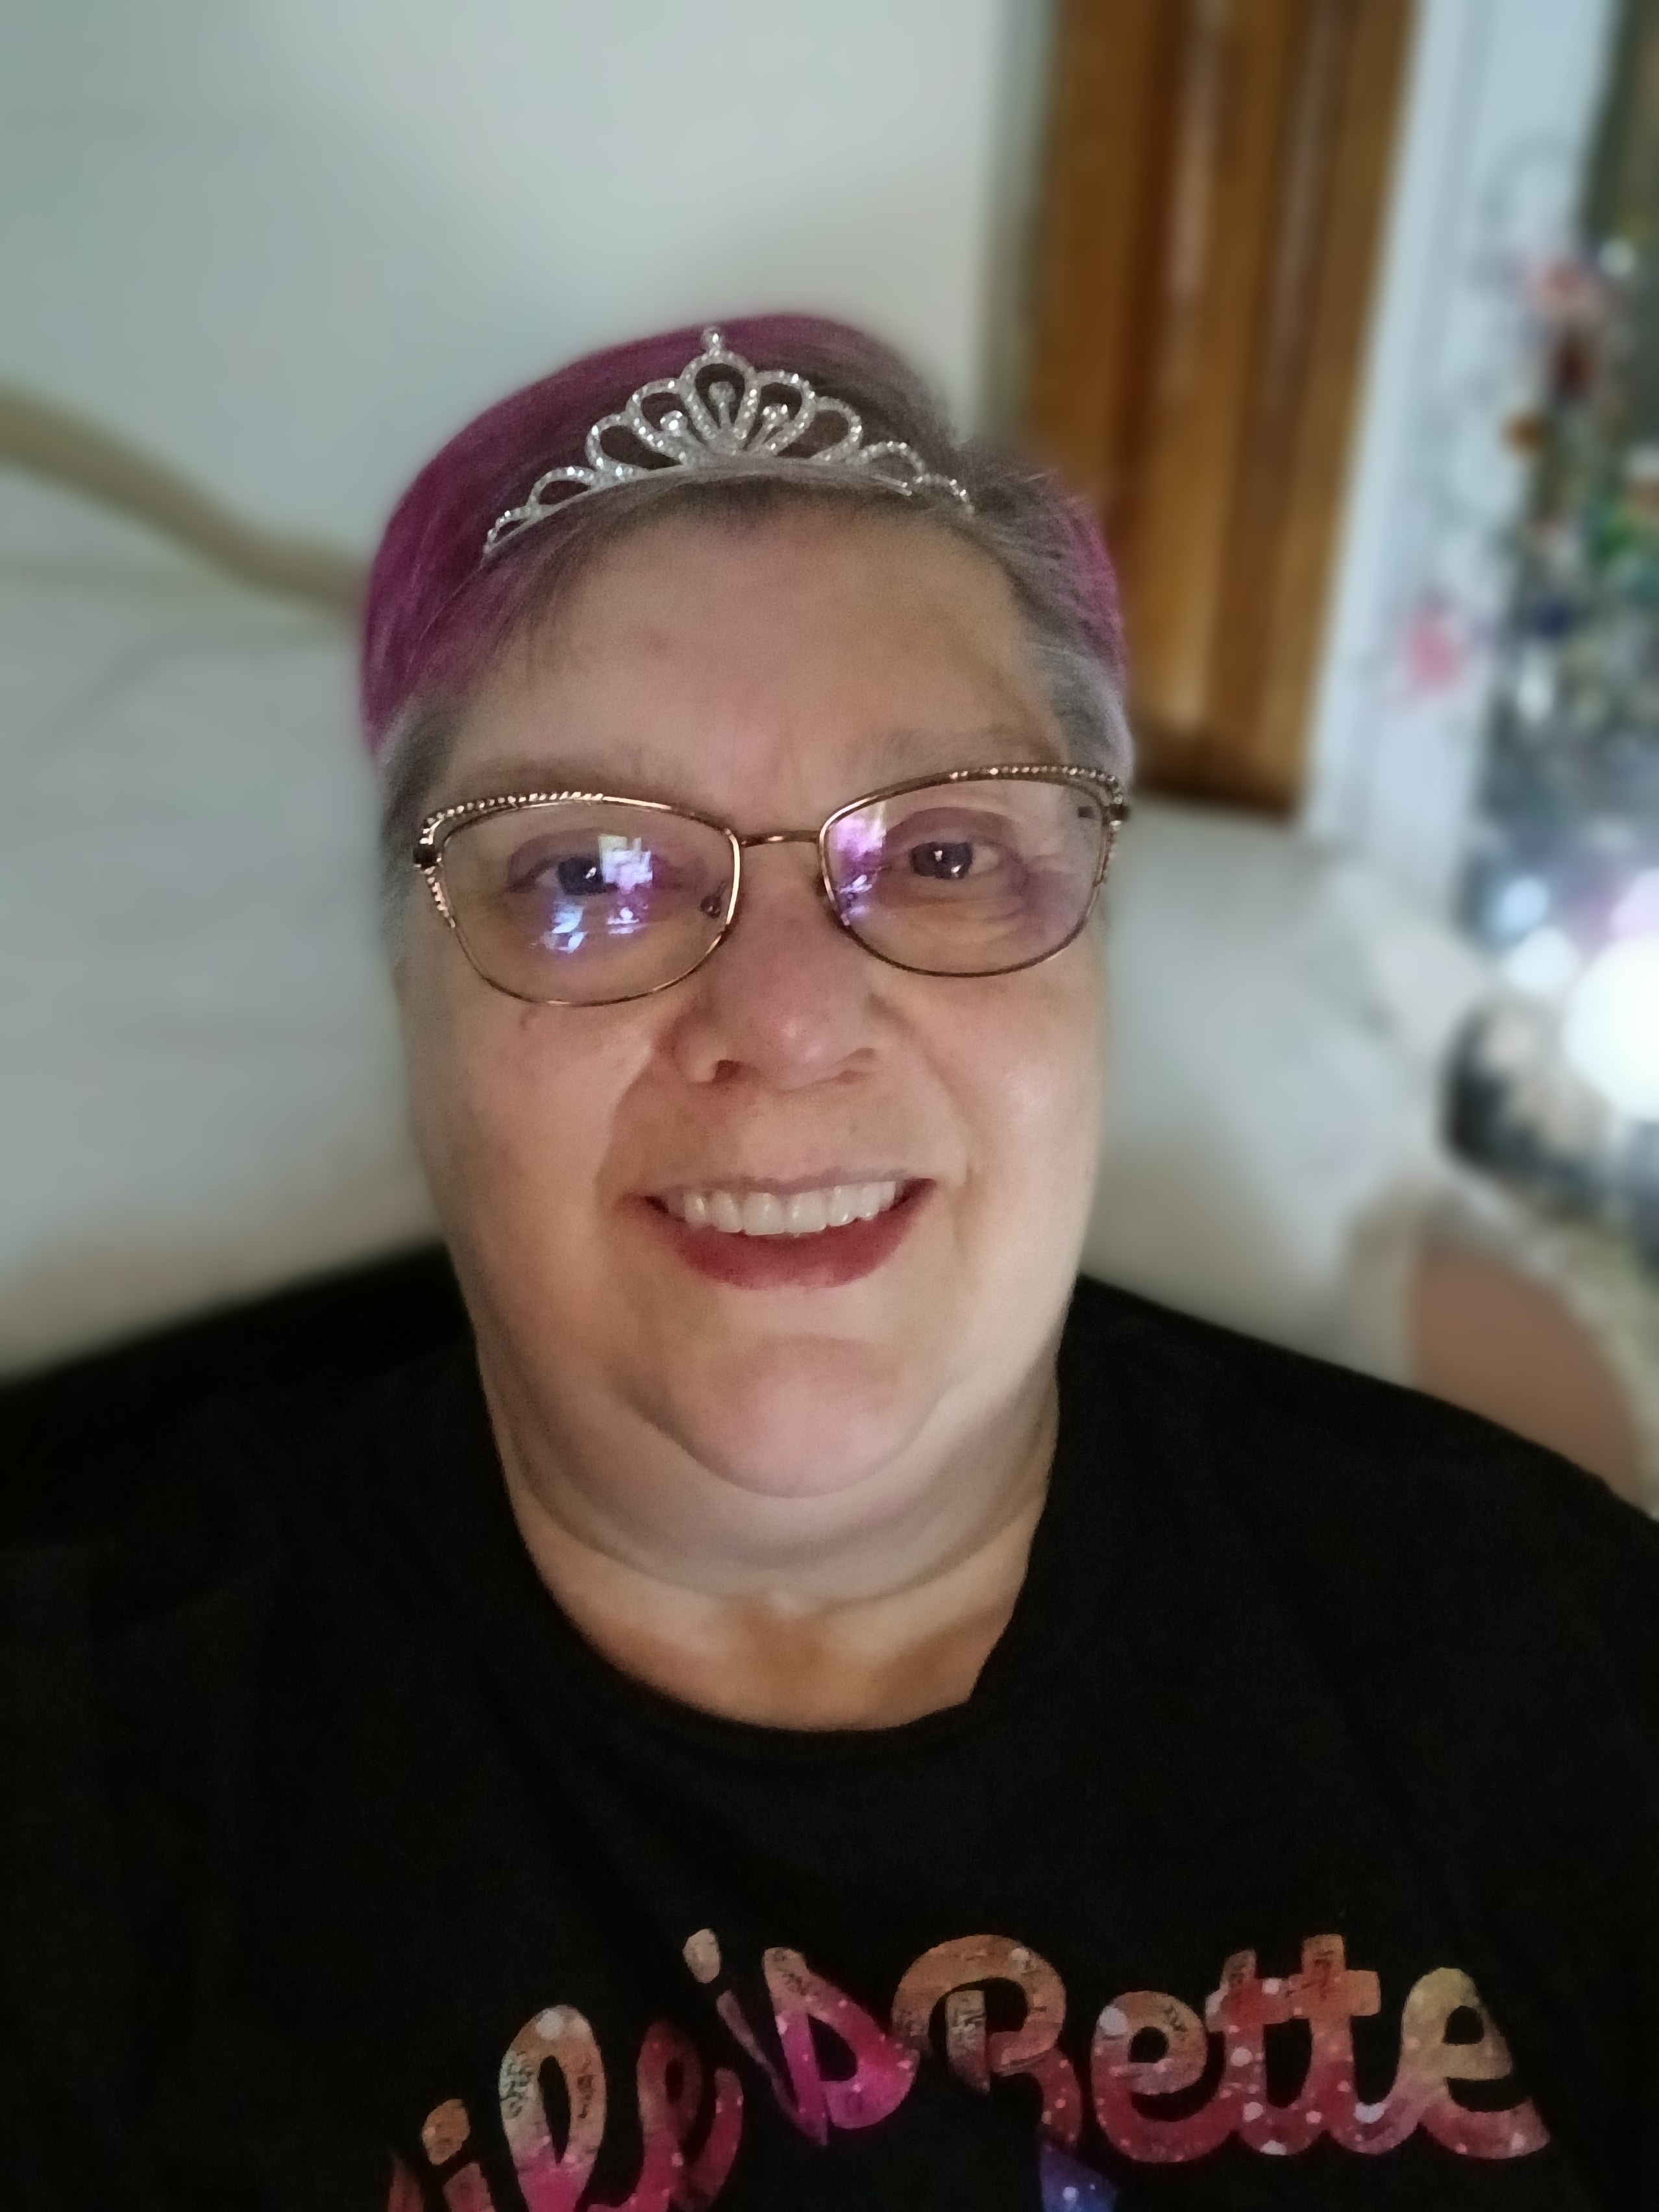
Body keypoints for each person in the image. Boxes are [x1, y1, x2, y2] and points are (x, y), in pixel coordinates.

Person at [4, 317, 1656, 2212]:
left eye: (943, 854)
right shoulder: (91, 1792)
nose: (785, 1023)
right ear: (412, 996)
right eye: (587, 875)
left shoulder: (1550, 1661)